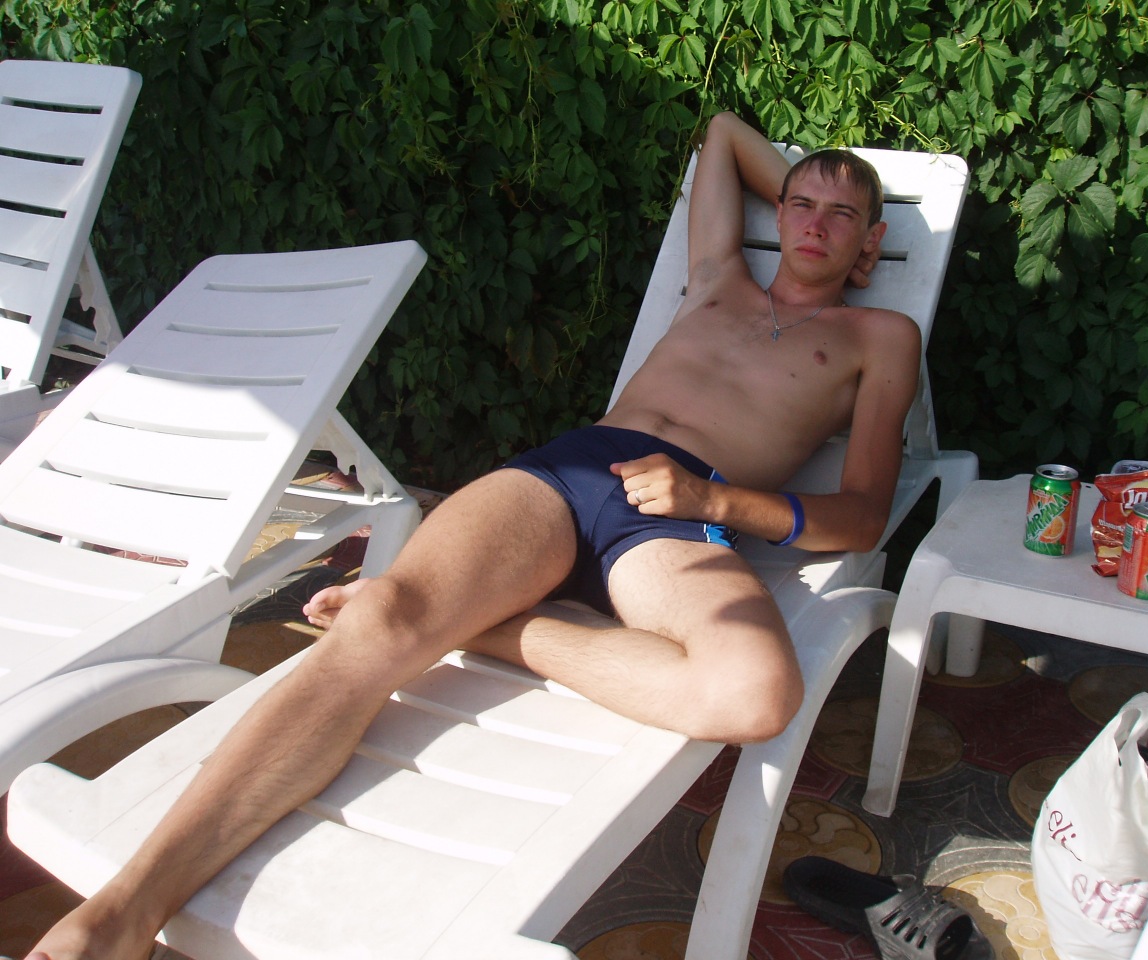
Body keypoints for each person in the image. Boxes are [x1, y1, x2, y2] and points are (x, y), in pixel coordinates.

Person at [23, 110, 920, 960]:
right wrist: (820, 184)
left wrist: (713, 501)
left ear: (872, 240)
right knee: (385, 623)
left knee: (754, 693)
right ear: (777, 210)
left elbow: (863, 515)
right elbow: (721, 134)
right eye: (800, 203)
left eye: (843, 216)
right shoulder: (719, 278)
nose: (814, 223)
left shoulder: (879, 335)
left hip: (682, 513)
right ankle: (122, 911)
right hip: (574, 471)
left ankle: (497, 626)